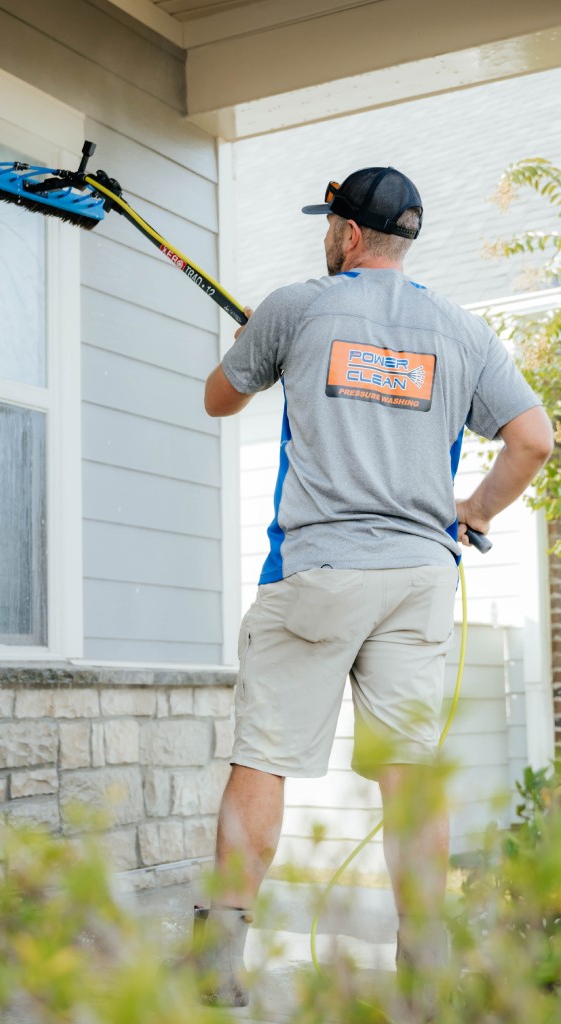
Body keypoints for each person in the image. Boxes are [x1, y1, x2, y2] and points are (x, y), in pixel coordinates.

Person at [195, 167, 554, 1011]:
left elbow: (219, 400)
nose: (327, 237)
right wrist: (471, 509)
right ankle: (426, 971)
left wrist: (260, 342)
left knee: (266, 759)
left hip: (317, 573)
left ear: (349, 234)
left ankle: (215, 963)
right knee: (410, 773)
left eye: (330, 224)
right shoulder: (463, 332)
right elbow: (534, 439)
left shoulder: (298, 307)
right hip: (419, 577)